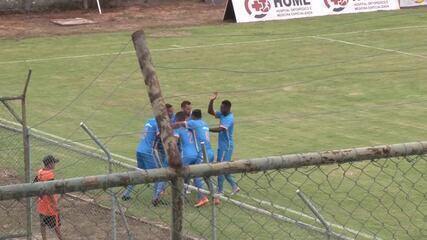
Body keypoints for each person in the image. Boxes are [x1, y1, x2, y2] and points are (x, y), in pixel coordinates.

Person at [122, 118, 165, 206]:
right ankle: (156, 199)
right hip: (148, 151)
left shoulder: (150, 120)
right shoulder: (158, 123)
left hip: (140, 149)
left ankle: (126, 194)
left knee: (139, 172)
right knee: (159, 174)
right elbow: (160, 135)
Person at [208, 92, 240, 204]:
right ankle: (234, 186)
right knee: (224, 167)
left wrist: (207, 129)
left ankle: (220, 190)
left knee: (221, 167)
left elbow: (221, 129)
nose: (220, 109)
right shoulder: (223, 114)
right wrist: (211, 100)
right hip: (222, 146)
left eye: (222, 107)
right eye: (220, 107)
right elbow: (210, 112)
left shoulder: (229, 118)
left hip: (226, 146)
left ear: (228, 108)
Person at [174, 111, 209, 207]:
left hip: (198, 153)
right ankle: (212, 196)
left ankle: (202, 197)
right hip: (204, 152)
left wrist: (169, 127)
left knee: (191, 175)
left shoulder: (191, 123)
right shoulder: (203, 124)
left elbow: (180, 126)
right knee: (204, 175)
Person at [34, 155, 62, 240]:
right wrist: (55, 204)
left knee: (42, 223)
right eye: (54, 163)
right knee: (56, 226)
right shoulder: (50, 174)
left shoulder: (40, 172)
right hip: (50, 206)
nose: (55, 165)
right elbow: (50, 191)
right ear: (50, 164)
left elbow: (35, 184)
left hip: (41, 204)